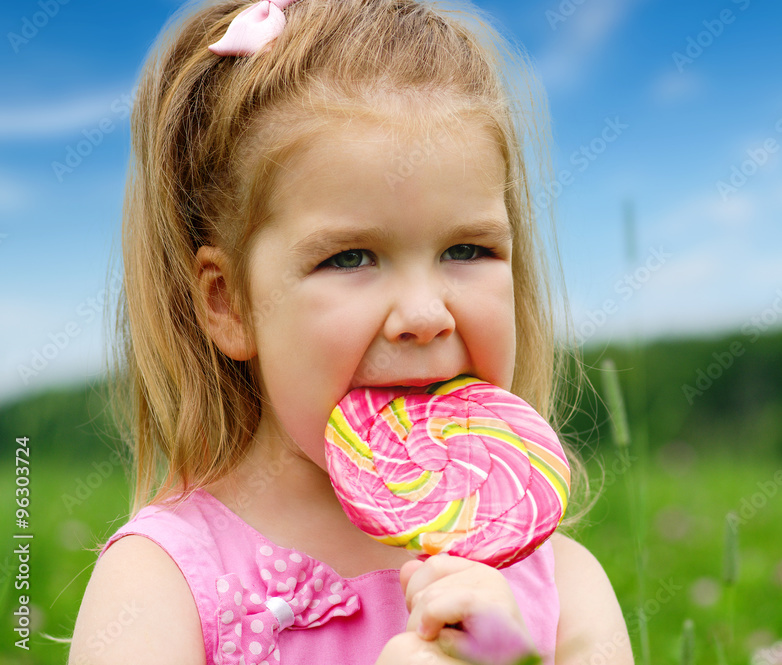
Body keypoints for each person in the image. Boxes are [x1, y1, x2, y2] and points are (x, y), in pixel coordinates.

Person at [69, 0, 633, 663]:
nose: (426, 315)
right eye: (350, 258)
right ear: (230, 303)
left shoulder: (565, 586)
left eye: (467, 250)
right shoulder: (159, 584)